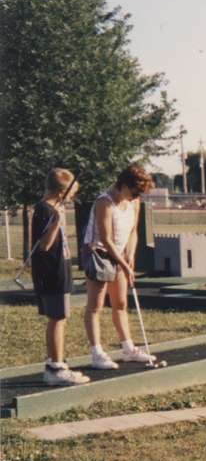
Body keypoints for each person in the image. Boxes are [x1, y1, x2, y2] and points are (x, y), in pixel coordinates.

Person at [81, 165, 155, 369]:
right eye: (133, 192)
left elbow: (133, 232)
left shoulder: (135, 202)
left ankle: (128, 349)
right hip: (99, 253)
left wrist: (130, 255)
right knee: (95, 305)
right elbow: (106, 239)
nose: (135, 197)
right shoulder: (104, 202)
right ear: (123, 185)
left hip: (120, 253)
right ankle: (97, 353)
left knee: (120, 303)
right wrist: (124, 263)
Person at [31, 168, 90, 386]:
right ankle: (55, 367)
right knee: (57, 318)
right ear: (61, 191)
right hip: (50, 272)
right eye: (71, 193)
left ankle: (56, 362)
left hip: (60, 268)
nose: (72, 197)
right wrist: (56, 221)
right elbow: (44, 245)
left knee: (60, 318)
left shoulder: (54, 208)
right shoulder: (44, 210)